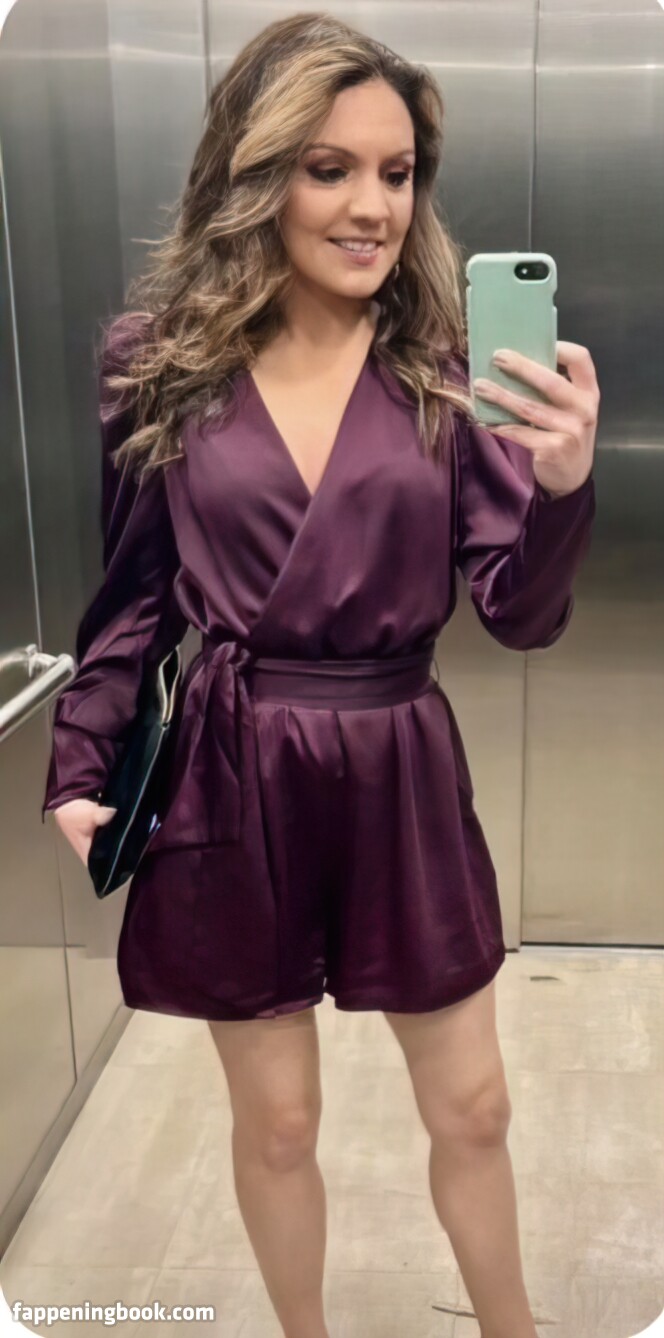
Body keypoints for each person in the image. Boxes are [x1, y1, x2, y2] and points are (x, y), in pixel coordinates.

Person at [42, 14, 599, 1338]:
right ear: (256, 174)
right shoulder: (158, 364)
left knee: (475, 1105)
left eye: (397, 174)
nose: (372, 207)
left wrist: (564, 488)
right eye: (328, 168)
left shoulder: (450, 374)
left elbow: (519, 613)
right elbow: (134, 593)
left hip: (400, 757)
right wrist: (79, 762)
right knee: (281, 1123)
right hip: (235, 763)